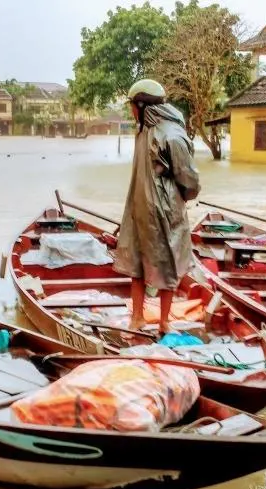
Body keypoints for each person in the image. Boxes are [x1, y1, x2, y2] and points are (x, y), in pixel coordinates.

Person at [113, 79, 201, 335]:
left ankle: (159, 321)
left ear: (142, 105)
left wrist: (180, 197)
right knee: (145, 264)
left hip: (159, 210)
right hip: (145, 209)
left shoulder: (168, 134)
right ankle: (143, 319)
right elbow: (190, 181)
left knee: (161, 264)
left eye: (132, 106)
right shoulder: (148, 131)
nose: (131, 111)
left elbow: (187, 177)